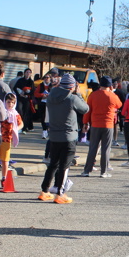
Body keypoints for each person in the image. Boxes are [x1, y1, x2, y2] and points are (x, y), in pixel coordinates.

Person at [38, 72, 88, 203]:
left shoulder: (51, 96)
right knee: (64, 166)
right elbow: (85, 109)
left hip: (54, 135)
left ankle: (44, 191)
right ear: (72, 86)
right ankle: (60, 193)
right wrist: (79, 94)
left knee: (53, 164)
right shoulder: (72, 98)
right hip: (68, 136)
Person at [81, 76, 122, 178]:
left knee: (93, 148)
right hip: (108, 124)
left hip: (95, 124)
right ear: (110, 86)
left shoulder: (93, 95)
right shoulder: (112, 96)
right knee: (105, 149)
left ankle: (87, 170)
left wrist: (85, 123)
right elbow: (119, 104)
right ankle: (103, 171)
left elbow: (88, 110)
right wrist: (112, 92)